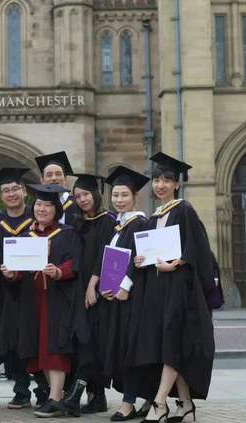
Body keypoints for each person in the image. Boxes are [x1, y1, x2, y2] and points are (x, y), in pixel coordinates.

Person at [127, 153, 215, 422]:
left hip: (180, 289)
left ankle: (159, 403)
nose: (160, 185)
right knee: (168, 344)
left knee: (172, 343)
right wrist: (141, 260)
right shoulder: (154, 217)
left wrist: (176, 264)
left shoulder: (184, 210)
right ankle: (186, 405)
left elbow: (197, 247)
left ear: (176, 184)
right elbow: (152, 253)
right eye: (156, 180)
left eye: (166, 180)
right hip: (158, 290)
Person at [0, 184, 82, 418]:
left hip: (57, 299)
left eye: (47, 205)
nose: (42, 209)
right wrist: (11, 273)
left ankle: (55, 398)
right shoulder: (26, 237)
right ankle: (57, 397)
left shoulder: (68, 234)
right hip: (31, 300)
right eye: (38, 204)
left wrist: (59, 271)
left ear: (56, 209)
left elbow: (75, 262)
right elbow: (19, 272)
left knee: (54, 347)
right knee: (39, 348)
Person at [0, 168, 50, 410]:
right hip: (6, 291)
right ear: (1, 195)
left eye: (15, 188)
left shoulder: (37, 218)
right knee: (12, 341)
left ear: (24, 191)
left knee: (36, 338)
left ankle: (43, 389)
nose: (11, 193)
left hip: (33, 289)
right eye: (6, 190)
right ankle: (21, 389)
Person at [62, 174, 116, 417]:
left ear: (96, 194)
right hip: (78, 289)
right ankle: (97, 398)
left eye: (86, 194)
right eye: (77, 196)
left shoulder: (108, 221)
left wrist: (93, 285)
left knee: (91, 343)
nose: (82, 199)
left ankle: (75, 397)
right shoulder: (77, 222)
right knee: (83, 342)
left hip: (98, 291)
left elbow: (106, 255)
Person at [100, 166, 151, 422]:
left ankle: (129, 402)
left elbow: (141, 259)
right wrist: (107, 286)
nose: (119, 199)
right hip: (118, 298)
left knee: (130, 348)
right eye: (115, 195)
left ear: (135, 197)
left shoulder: (139, 223)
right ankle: (147, 398)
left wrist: (125, 286)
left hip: (133, 298)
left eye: (124, 195)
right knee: (123, 348)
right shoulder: (118, 226)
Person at [34, 152, 80, 226]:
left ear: (65, 179)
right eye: (49, 175)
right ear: (42, 180)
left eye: (58, 174)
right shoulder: (37, 209)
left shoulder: (78, 204)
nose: (54, 178)